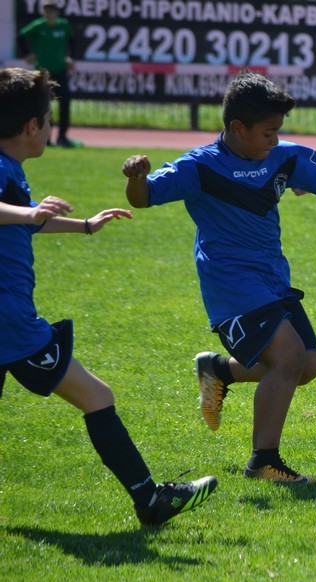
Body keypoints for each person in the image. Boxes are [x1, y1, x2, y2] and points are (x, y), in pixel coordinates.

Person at [122, 71, 316, 484]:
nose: (275, 138)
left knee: (309, 363)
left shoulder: (283, 157)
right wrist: (136, 178)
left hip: (272, 277)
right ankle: (263, 462)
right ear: (238, 128)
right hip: (230, 283)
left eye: (278, 131)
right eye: (268, 132)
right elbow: (144, 198)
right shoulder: (200, 166)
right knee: (288, 357)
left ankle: (219, 370)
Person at [0, 67, 217, 526]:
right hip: (10, 322)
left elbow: (23, 220)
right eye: (48, 119)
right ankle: (150, 500)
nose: (51, 127)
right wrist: (28, 214)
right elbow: (18, 215)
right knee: (97, 396)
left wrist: (83, 225)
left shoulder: (8, 168)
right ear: (31, 126)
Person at [18, 0, 80, 148]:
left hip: (60, 70)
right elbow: (20, 37)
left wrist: (71, 56)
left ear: (57, 12)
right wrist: (27, 54)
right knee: (44, 105)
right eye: (46, 10)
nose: (48, 14)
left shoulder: (63, 25)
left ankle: (62, 138)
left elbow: (72, 40)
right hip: (43, 73)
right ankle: (46, 139)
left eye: (51, 10)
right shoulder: (38, 26)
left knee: (65, 102)